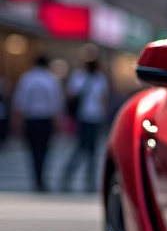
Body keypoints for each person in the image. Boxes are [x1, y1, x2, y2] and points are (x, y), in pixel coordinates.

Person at [11, 54, 64, 192]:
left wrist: (17, 121)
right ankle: (41, 177)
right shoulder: (51, 79)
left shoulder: (27, 78)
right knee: (44, 150)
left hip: (31, 118)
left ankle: (36, 177)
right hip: (45, 118)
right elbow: (56, 103)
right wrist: (58, 122)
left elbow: (19, 102)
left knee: (33, 150)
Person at [61, 57, 109, 193]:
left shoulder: (84, 77)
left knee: (86, 150)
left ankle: (82, 179)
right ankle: (82, 179)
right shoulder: (93, 78)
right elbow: (103, 100)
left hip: (89, 117)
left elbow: (70, 94)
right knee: (86, 150)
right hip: (88, 117)